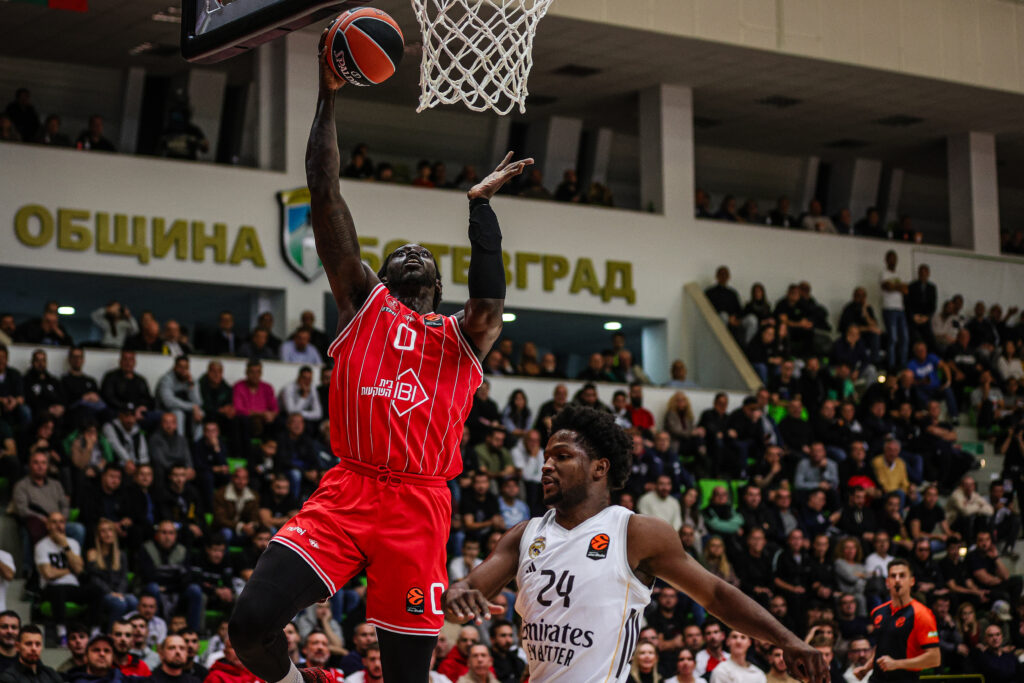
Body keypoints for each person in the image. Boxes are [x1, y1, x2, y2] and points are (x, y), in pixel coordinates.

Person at [229, 37, 532, 683]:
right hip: (349, 489)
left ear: (439, 291)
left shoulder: (462, 334)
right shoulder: (363, 304)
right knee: (250, 621)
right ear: (381, 273)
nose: (415, 250)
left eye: (426, 253)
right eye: (402, 250)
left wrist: (481, 211)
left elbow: (489, 301)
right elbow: (325, 189)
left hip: (420, 509)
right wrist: (329, 95)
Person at [443, 405, 826, 683]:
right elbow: (464, 594)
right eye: (545, 457)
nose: (546, 465)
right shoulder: (524, 534)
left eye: (562, 456)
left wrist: (786, 639)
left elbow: (716, 593)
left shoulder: (635, 532)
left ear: (600, 467)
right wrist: (458, 594)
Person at [863, 559, 940, 682]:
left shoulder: (922, 614)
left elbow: (935, 658)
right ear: (887, 582)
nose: (897, 580)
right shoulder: (878, 612)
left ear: (912, 581)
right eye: (893, 576)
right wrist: (866, 668)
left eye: (902, 575)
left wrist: (897, 664)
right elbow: (882, 646)